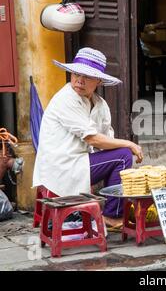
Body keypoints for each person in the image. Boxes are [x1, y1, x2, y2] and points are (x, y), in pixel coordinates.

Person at [32, 47, 144, 228]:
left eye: (87, 76)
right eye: (76, 74)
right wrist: (130, 144)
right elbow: (93, 139)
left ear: (99, 80)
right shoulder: (66, 99)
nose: (80, 80)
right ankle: (112, 216)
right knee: (123, 156)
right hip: (62, 166)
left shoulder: (100, 104)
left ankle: (112, 210)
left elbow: (106, 139)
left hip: (78, 164)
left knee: (120, 154)